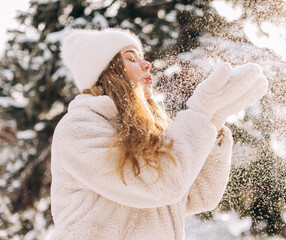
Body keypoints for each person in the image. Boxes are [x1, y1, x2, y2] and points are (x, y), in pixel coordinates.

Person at [50, 28, 268, 240]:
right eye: (131, 59)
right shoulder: (79, 128)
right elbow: (159, 184)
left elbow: (199, 195)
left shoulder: (145, 133)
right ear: (107, 73)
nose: (147, 64)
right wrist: (201, 111)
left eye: (142, 58)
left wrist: (212, 122)